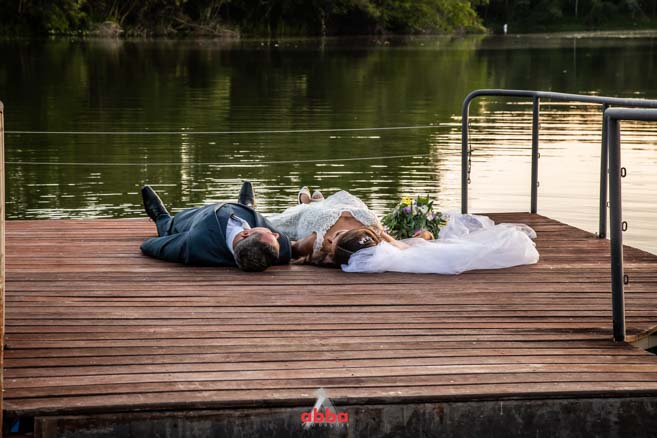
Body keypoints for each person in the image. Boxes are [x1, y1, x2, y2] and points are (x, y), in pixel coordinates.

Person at [140, 182, 292, 272]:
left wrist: (162, 228)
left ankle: (161, 216)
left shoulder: (197, 244)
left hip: (196, 218)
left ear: (246, 234)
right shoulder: (280, 249)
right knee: (250, 212)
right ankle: (246, 206)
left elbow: (149, 246)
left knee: (168, 228)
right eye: (274, 236)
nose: (276, 235)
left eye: (272, 235)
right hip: (244, 214)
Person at [269, 188, 433, 265]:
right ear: (362, 232)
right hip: (347, 203)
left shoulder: (317, 241)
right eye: (338, 234)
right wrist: (425, 235)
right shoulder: (374, 231)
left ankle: (306, 204)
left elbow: (288, 247)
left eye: (332, 241)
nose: (329, 238)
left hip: (314, 217)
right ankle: (317, 201)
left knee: (297, 215)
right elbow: (405, 247)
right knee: (323, 204)